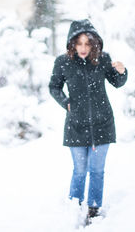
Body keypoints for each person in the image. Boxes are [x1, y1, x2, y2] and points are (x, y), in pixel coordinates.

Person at [49, 19, 128, 224]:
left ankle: (94, 208)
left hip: (103, 123)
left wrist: (122, 71)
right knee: (80, 170)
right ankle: (74, 206)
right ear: (72, 44)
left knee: (97, 170)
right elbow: (54, 87)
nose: (83, 48)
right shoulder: (63, 62)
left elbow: (117, 82)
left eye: (87, 43)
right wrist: (66, 102)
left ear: (94, 44)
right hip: (76, 125)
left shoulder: (102, 60)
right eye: (79, 43)